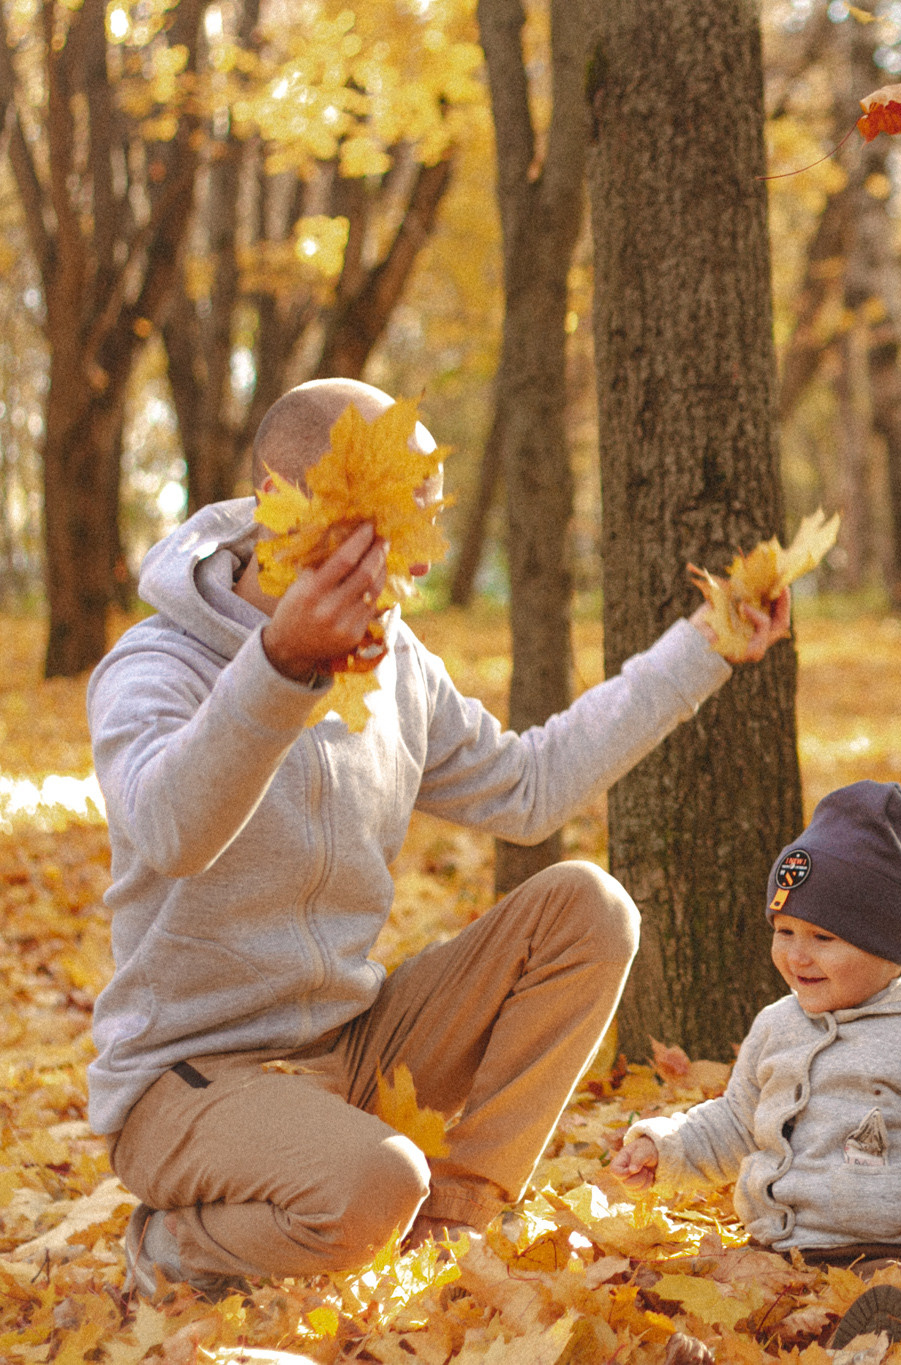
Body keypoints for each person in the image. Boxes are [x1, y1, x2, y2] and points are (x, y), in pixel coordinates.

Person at [89, 377, 791, 1295]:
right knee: (374, 1181)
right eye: (396, 523)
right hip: (190, 1080)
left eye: (430, 522)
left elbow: (530, 788)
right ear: (281, 505)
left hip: (352, 1041)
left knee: (589, 908)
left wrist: (704, 648)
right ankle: (172, 1248)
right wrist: (278, 667)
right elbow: (169, 830)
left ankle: (450, 1219)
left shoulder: (396, 659)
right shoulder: (154, 665)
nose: (421, 562)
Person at [611, 781, 901, 1344]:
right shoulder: (778, 1024)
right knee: (695, 1287)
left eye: (823, 938)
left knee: (892, 1299)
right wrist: (667, 1147)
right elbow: (737, 1120)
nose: (796, 955)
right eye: (784, 932)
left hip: (895, 1247)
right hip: (780, 1249)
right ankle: (706, 1346)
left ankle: (862, 1347)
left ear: (889, 944)